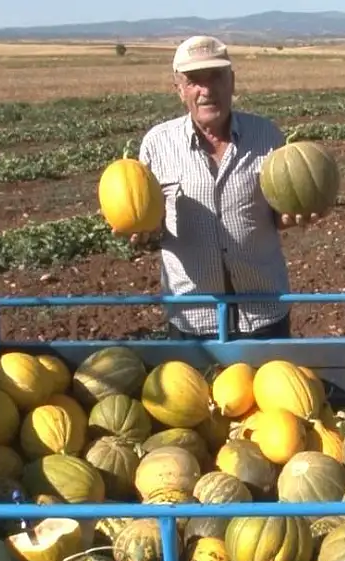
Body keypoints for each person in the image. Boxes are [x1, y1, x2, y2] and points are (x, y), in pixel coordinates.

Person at [132, 35, 324, 341]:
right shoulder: (157, 144)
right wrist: (142, 230)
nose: (206, 90)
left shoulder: (267, 136)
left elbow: (277, 213)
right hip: (192, 318)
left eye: (216, 77)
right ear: (179, 89)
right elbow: (151, 218)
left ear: (232, 82)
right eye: (194, 80)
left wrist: (295, 214)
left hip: (263, 312)